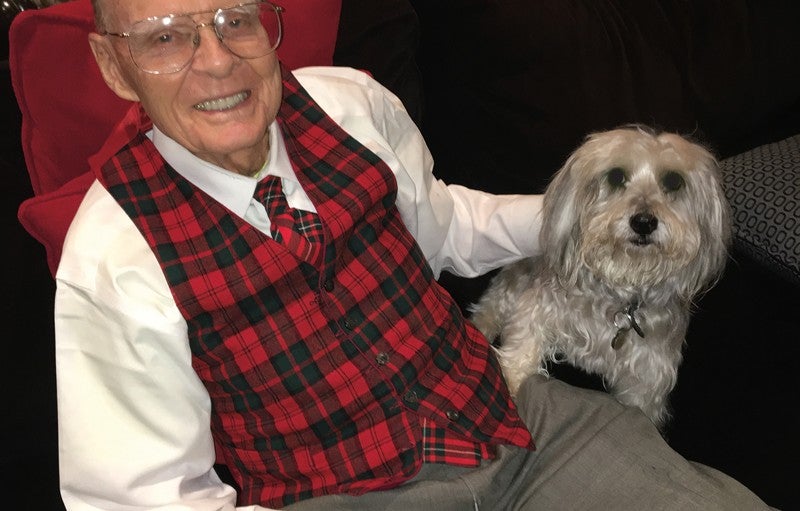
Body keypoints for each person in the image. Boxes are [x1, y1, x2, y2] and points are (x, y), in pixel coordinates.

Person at [54, 0, 774, 509]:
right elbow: (145, 497)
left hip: (514, 417)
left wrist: (582, 221)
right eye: (165, 38)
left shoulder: (352, 105)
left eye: (234, 20)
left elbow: (448, 228)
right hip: (343, 494)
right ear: (114, 65)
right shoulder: (113, 255)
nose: (216, 62)